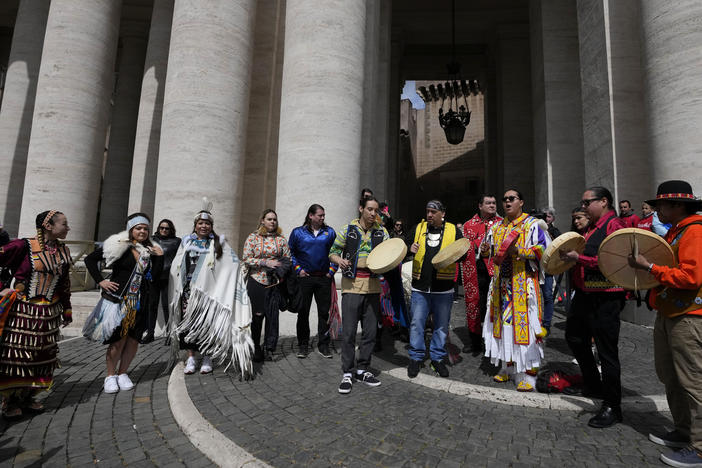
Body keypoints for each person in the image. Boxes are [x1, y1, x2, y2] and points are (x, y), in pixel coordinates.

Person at [627, 180, 702, 467]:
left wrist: (649, 267)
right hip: (672, 313)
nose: (657, 210)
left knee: (693, 381)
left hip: (689, 317)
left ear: (678, 205)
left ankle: (700, 447)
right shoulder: (677, 231)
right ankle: (685, 432)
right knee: (671, 375)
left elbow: (691, 278)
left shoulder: (694, 232)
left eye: (662, 205)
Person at [560, 186, 626, 428]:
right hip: (586, 294)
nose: (584, 206)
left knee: (606, 350)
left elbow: (615, 261)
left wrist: (580, 259)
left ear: (604, 202)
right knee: (575, 337)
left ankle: (612, 406)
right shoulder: (590, 228)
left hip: (606, 296)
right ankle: (593, 384)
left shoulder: (614, 226)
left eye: (588, 202)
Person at [0, 210, 72, 418]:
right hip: (23, 310)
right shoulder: (23, 246)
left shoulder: (63, 251)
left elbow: (64, 283)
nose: (68, 228)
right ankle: (9, 399)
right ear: (49, 226)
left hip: (49, 312)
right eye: (64, 224)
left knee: (42, 355)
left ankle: (27, 396)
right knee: (17, 355)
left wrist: (66, 309)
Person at [168, 200, 252, 376]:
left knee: (208, 325)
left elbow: (232, 263)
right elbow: (177, 262)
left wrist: (241, 269)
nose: (204, 226)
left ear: (211, 226)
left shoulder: (218, 243)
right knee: (187, 326)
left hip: (208, 294)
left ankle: (207, 357)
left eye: (207, 223)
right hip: (188, 292)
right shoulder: (186, 242)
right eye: (200, 223)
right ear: (195, 225)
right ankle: (190, 358)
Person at [83, 213, 163, 393]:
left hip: (141, 301)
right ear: (131, 230)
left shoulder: (152, 249)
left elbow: (155, 276)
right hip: (119, 301)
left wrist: (159, 257)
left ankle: (123, 372)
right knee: (117, 340)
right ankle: (110, 375)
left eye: (145, 228)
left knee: (134, 340)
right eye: (138, 228)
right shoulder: (118, 245)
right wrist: (101, 281)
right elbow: (90, 259)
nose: (142, 231)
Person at [482, 190, 549, 392]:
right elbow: (492, 252)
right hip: (501, 286)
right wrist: (486, 250)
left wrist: (521, 251)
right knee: (503, 326)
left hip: (523, 286)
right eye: (505, 199)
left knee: (526, 328)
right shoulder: (497, 226)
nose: (507, 202)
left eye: (512, 199)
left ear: (521, 202)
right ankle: (508, 367)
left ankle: (527, 374)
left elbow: (544, 251)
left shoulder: (532, 225)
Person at [329, 196, 389, 394]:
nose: (373, 214)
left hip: (373, 287)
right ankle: (348, 372)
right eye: (370, 209)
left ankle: (363, 369)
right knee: (348, 332)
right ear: (361, 209)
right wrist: (340, 261)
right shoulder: (347, 230)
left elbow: (390, 254)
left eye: (376, 211)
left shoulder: (382, 232)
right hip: (352, 286)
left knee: (370, 332)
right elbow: (333, 251)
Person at [406, 200, 464, 378]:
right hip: (420, 287)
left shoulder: (454, 231)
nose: (429, 215)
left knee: (441, 325)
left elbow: (463, 254)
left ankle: (437, 359)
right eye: (427, 211)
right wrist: (410, 248)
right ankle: (416, 357)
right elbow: (402, 247)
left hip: (444, 288)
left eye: (433, 212)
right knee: (417, 323)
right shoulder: (417, 229)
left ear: (442, 214)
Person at [288, 204, 337, 359]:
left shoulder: (329, 233)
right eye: (319, 215)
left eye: (323, 215)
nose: (322, 218)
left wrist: (331, 271)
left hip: (324, 278)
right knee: (303, 313)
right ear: (310, 216)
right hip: (305, 279)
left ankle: (324, 345)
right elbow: (290, 253)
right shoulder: (298, 233)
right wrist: (298, 269)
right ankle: (303, 345)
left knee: (324, 313)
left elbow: (337, 252)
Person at [243, 209, 291, 362]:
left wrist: (281, 270)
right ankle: (255, 346)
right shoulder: (253, 237)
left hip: (274, 282)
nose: (272, 222)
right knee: (257, 316)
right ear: (262, 220)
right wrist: (265, 262)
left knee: (272, 316)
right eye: (269, 219)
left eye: (274, 219)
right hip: (256, 280)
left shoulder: (281, 239)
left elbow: (287, 259)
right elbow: (246, 258)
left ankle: (269, 347)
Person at [460, 194, 501, 353]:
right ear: (480, 206)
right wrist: (478, 245)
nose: (492, 205)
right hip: (475, 272)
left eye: (494, 203)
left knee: (496, 305)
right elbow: (464, 246)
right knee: (474, 305)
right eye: (488, 203)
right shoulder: (469, 225)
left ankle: (496, 342)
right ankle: (475, 341)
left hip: (496, 272)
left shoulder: (502, 224)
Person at [141, 219, 181, 344]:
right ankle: (150, 333)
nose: (164, 230)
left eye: (167, 228)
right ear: (158, 228)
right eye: (161, 228)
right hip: (153, 277)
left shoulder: (177, 241)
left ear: (171, 230)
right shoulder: (151, 240)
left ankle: (170, 333)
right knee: (151, 305)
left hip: (169, 278)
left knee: (167, 306)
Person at [541, 207, 562, 334]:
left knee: (548, 296)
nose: (546, 219)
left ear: (553, 218)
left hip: (548, 269)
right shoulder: (536, 228)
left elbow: (560, 247)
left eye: (548, 217)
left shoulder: (555, 231)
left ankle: (547, 324)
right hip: (535, 268)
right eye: (544, 217)